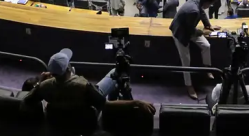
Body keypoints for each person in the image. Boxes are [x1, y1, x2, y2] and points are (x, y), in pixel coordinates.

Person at [22, 48, 156, 115]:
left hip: (65, 120)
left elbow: (26, 100)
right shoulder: (84, 87)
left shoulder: (44, 87)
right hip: (88, 109)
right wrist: (136, 102)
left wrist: (41, 82)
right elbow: (106, 105)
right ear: (68, 67)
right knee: (114, 73)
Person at [170, 0, 220, 99]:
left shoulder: (197, 0)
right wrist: (204, 32)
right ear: (206, 2)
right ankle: (189, 86)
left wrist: (208, 25)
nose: (210, 6)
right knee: (186, 61)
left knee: (206, 46)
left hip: (189, 28)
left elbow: (202, 13)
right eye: (210, 4)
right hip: (181, 33)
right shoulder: (193, 11)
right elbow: (190, 30)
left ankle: (207, 68)